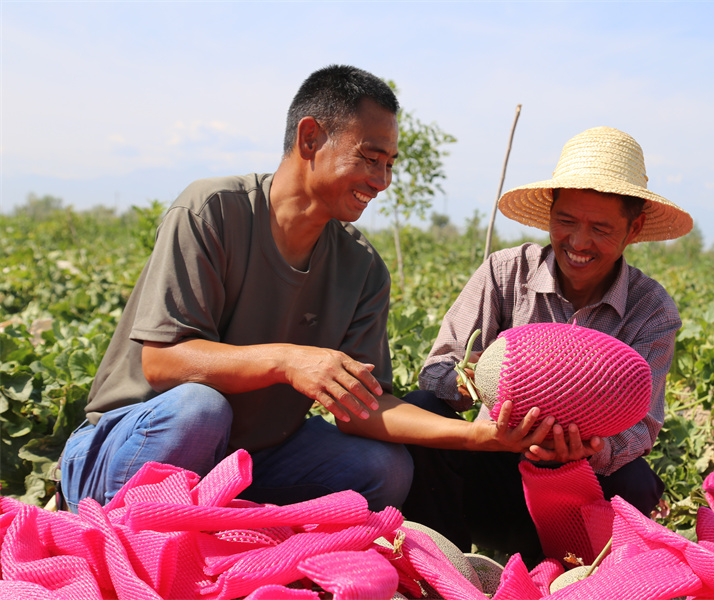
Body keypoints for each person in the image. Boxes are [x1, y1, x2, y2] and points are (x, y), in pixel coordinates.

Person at [58, 64, 559, 515]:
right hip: (135, 441)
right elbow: (162, 363)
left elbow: (367, 407)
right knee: (200, 411)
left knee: (384, 470)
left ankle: (210, 520)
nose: (382, 180)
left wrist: (478, 435)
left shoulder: (363, 268)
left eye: (390, 164)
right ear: (310, 138)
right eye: (370, 158)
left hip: (251, 457)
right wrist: (288, 360)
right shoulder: (212, 210)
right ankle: (109, 520)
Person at [401, 126, 694, 563]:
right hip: (491, 470)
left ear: (633, 229)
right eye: (566, 221)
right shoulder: (505, 273)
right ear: (549, 214)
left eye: (600, 228)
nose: (578, 242)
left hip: (579, 480)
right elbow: (437, 370)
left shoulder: (651, 311)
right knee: (423, 408)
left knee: (637, 486)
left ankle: (575, 572)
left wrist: (595, 450)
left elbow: (642, 424)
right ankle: (445, 567)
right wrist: (474, 380)